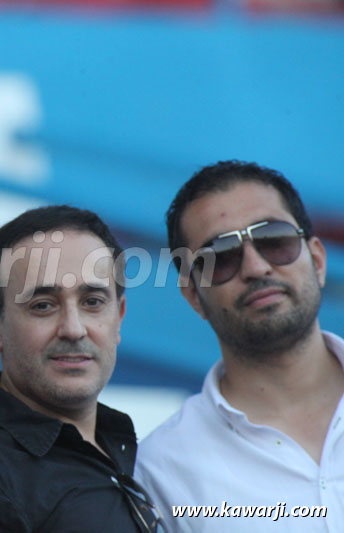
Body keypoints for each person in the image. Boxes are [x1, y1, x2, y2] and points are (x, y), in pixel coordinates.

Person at [0, 205, 163, 532]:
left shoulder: (130, 448)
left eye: (92, 302)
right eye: (43, 305)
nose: (74, 328)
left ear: (118, 316)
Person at [135, 160, 344, 531]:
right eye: (221, 256)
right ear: (193, 296)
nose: (256, 267)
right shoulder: (162, 469)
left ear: (316, 260)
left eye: (274, 240)